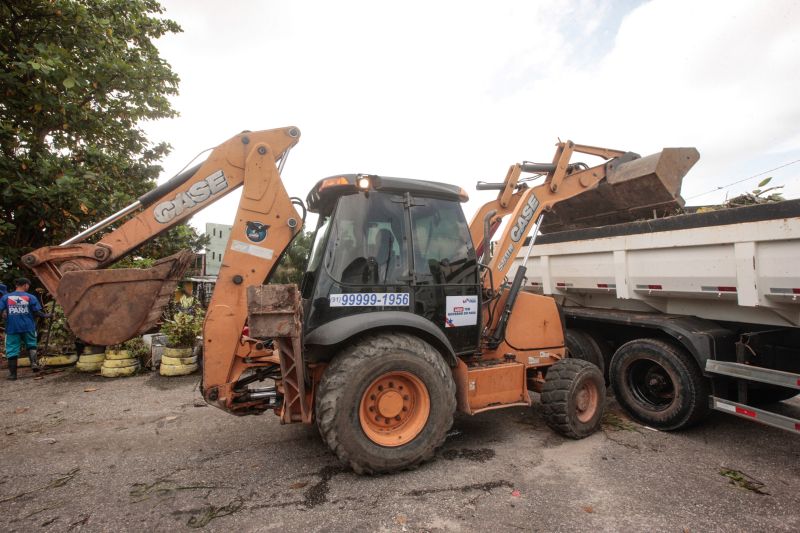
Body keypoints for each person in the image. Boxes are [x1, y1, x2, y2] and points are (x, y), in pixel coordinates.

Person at [0, 278, 49, 380]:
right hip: (28, 327)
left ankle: (13, 375)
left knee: (12, 350)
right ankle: (34, 364)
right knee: (31, 345)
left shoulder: (6, 297)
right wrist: (47, 315)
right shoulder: (30, 297)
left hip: (12, 328)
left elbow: (1, 311)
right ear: (25, 285)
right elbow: (36, 312)